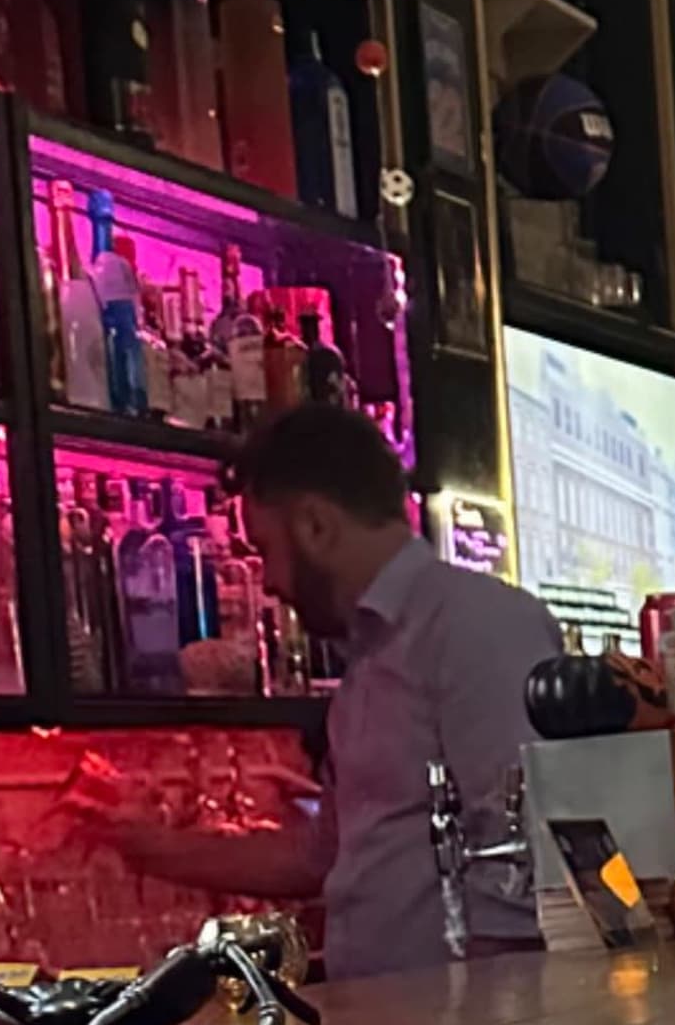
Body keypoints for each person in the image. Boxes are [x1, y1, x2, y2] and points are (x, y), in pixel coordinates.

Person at [109, 402, 561, 973]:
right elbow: (323, 856)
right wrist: (146, 847)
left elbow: (524, 857)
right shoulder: (372, 656)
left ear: (316, 525)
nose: (268, 582)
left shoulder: (475, 623)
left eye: (267, 549)